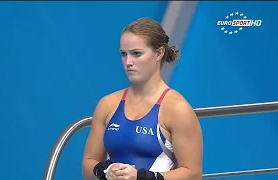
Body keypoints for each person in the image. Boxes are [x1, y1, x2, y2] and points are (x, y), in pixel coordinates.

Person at [82, 17, 203, 180]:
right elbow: (88, 165)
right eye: (123, 54)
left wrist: (141, 177)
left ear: (159, 53)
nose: (128, 62)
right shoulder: (107, 104)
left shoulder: (177, 109)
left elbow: (193, 174)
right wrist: (105, 172)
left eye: (136, 54)